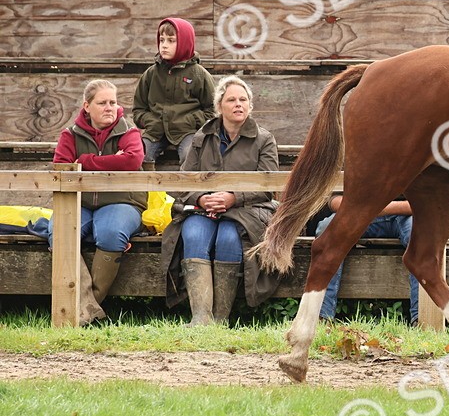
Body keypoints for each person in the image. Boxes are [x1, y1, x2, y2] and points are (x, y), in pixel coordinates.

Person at [160, 76, 279, 326]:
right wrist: (201, 198)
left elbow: (269, 186)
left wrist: (234, 197)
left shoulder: (264, 139)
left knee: (228, 238)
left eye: (243, 100)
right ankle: (201, 319)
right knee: (192, 233)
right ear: (219, 106)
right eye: (232, 100)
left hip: (246, 210)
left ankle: (222, 318)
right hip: (204, 210)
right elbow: (185, 180)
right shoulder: (201, 137)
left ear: (250, 105)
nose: (239, 104)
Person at [51, 79, 146, 324]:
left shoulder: (129, 131)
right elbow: (62, 167)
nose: (109, 107)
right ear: (87, 106)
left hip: (122, 201)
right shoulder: (69, 134)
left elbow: (132, 161)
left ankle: (84, 308)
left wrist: (86, 161)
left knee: (111, 231)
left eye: (113, 102)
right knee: (59, 230)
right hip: (78, 202)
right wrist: (111, 160)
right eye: (102, 103)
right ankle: (89, 311)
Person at [313, 195, 417, 322]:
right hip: (357, 213)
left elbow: (426, 202)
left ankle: (421, 319)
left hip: (407, 215)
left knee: (422, 236)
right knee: (328, 230)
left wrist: (377, 208)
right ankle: (322, 318)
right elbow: (333, 201)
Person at [133, 18, 215, 170]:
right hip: (155, 132)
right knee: (139, 155)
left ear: (184, 42)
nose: (164, 45)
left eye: (171, 40)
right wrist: (149, 121)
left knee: (189, 156)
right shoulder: (151, 74)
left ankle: (188, 193)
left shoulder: (199, 75)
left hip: (187, 132)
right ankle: (147, 192)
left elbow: (212, 110)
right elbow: (138, 109)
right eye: (161, 40)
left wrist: (191, 121)